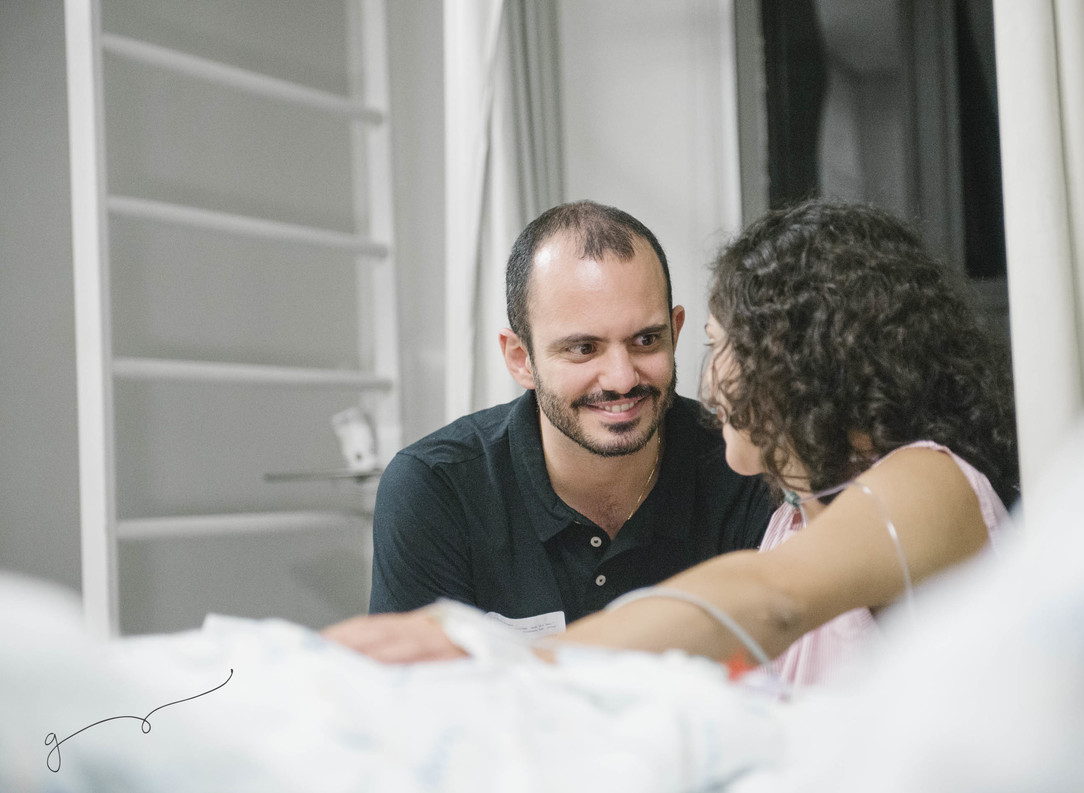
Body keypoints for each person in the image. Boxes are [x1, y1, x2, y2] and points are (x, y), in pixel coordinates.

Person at [326, 200, 1018, 688]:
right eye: (583, 348)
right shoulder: (789, 518)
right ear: (520, 356)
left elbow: (765, 599)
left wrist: (499, 661)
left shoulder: (930, 482)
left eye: (714, 347)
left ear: (808, 361)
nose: (709, 384)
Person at [366, 200, 772, 635]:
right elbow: (419, 696)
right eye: (584, 348)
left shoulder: (745, 467)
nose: (621, 378)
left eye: (646, 340)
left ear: (675, 332)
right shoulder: (437, 489)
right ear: (521, 358)